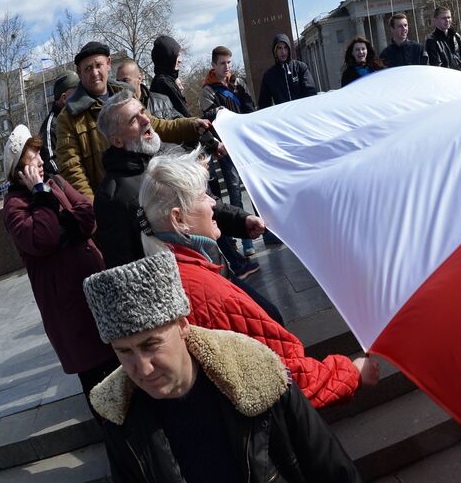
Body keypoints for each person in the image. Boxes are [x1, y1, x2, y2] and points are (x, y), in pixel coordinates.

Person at [82, 253, 417, 483]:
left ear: (182, 325)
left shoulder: (258, 376)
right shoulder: (122, 421)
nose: (142, 368)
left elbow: (338, 482)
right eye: (124, 352)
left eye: (150, 345)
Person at [139, 149, 375, 404]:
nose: (212, 203)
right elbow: (282, 376)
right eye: (202, 196)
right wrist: (352, 372)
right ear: (178, 218)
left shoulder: (170, 273)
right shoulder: (208, 293)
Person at [94, 89, 265, 273]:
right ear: (117, 141)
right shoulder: (112, 198)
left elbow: (205, 202)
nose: (146, 120)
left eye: (143, 111)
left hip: (215, 271)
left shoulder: (175, 155)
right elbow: (123, 267)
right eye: (133, 120)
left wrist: (242, 220)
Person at [2, 127, 115, 397]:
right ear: (19, 169)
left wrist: (65, 223)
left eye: (39, 154)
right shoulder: (15, 205)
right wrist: (41, 195)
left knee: (120, 362)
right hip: (69, 305)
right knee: (98, 382)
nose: (41, 161)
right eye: (33, 157)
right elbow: (44, 238)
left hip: (96, 289)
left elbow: (87, 214)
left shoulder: (56, 182)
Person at [56, 41, 203, 199]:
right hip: (112, 202)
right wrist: (94, 209)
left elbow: (157, 126)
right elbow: (72, 171)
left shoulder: (125, 94)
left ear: (108, 64)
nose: (95, 73)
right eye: (88, 68)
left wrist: (193, 125)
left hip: (149, 188)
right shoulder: (68, 117)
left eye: (98, 65)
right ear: (79, 73)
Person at [199, 47, 260, 265]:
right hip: (226, 149)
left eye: (229, 63)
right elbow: (210, 118)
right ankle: (246, 240)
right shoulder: (207, 91)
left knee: (254, 188)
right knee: (234, 191)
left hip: (244, 145)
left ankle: (266, 230)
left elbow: (249, 109)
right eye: (223, 63)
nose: (227, 67)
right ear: (213, 65)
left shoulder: (238, 83)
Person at [257, 33, 318, 108]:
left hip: (302, 112)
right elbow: (264, 104)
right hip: (283, 115)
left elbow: (311, 93)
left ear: (289, 49)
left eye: (285, 47)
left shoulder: (301, 67)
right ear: (275, 51)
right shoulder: (269, 76)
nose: (283, 51)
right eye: (279, 48)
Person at [39, 71, 79, 177]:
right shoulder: (50, 127)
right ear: (64, 98)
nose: (81, 95)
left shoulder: (78, 116)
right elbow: (50, 162)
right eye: (77, 92)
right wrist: (74, 179)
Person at [149, 35, 190, 118]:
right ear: (168, 57)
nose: (180, 60)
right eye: (177, 55)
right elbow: (184, 115)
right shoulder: (164, 82)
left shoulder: (166, 80)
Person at [424, 6, 461, 71]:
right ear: (435, 20)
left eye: (449, 17)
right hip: (446, 75)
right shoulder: (431, 40)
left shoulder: (456, 36)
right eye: (443, 18)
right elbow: (436, 65)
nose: (447, 20)